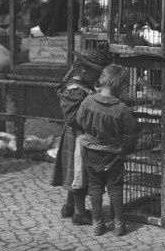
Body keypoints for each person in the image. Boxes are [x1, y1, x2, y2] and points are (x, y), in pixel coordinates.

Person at [75, 64, 138, 236]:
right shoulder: (121, 109)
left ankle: (97, 224)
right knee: (115, 187)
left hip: (91, 151)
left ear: (102, 81)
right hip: (113, 153)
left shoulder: (87, 101)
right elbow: (131, 129)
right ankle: (119, 224)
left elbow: (80, 120)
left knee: (95, 187)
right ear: (122, 87)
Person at [50, 50, 108, 225]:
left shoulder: (82, 87)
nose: (97, 78)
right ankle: (80, 213)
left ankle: (69, 206)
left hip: (77, 135)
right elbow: (74, 118)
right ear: (84, 71)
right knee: (79, 173)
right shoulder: (74, 91)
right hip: (77, 137)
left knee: (74, 174)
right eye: (96, 74)